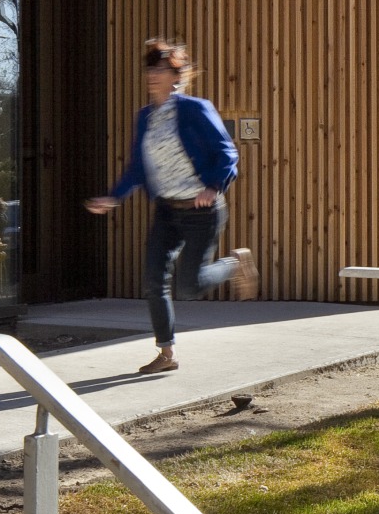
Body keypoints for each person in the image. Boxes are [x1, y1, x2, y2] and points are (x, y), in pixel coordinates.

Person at [87, 37, 260, 374]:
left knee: (189, 287)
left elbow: (227, 153)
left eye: (162, 68)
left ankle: (235, 264)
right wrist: (114, 196)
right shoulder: (145, 117)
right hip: (167, 210)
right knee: (154, 281)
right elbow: (138, 166)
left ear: (176, 76)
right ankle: (167, 354)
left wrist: (213, 187)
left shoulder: (195, 108)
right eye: (150, 68)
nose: (153, 74)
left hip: (202, 211)